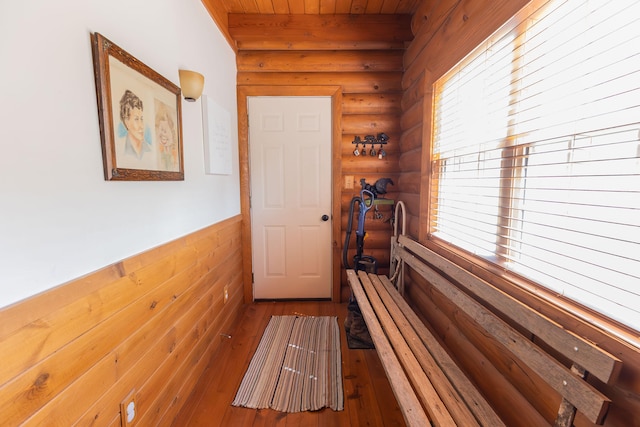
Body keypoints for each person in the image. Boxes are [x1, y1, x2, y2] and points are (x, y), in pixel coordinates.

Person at [118, 90, 151, 161]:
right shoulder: (121, 149)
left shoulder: (149, 151)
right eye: (136, 119)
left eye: (141, 119)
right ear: (127, 122)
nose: (141, 126)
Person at [154, 100, 179, 171]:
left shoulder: (174, 154)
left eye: (165, 130)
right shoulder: (158, 152)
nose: (162, 134)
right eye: (160, 129)